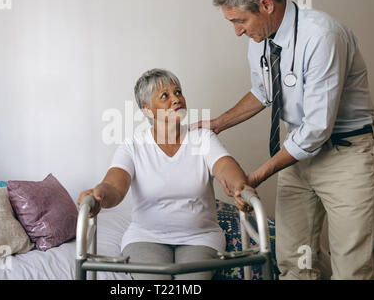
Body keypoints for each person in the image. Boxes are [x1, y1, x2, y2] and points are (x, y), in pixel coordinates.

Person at [191, 0, 374, 280]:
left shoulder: (322, 36)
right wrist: (217, 124)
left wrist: (257, 175)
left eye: (240, 21)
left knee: (351, 263)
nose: (238, 31)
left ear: (266, 5)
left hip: (346, 154)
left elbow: (317, 129)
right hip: (298, 153)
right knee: (293, 257)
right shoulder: (261, 38)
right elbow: (263, 91)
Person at [78, 68, 256, 280]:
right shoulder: (133, 146)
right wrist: (99, 195)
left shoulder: (201, 137)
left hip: (200, 237)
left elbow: (224, 165)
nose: (176, 99)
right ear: (148, 110)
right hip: (145, 237)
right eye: (165, 96)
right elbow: (115, 186)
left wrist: (239, 185)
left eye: (178, 92)